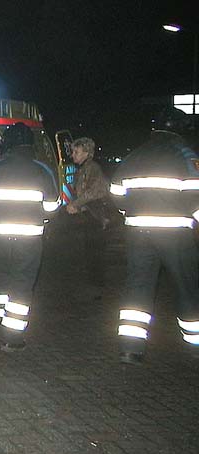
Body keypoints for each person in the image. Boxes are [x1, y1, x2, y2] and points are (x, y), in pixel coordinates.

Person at [109, 111, 199, 365]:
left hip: (138, 231)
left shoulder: (134, 156)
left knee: (138, 286)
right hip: (175, 232)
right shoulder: (185, 156)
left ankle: (130, 347)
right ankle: (195, 343)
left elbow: (115, 191)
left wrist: (131, 212)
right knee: (187, 285)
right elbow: (196, 195)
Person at [0, 122, 60, 351]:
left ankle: (5, 318)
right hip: (29, 236)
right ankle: (12, 336)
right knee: (22, 282)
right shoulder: (42, 170)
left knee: (3, 276)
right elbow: (52, 207)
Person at [65, 137, 111, 286]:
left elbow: (93, 192)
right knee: (91, 249)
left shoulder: (92, 169)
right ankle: (95, 281)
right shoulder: (85, 169)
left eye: (76, 152)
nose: (73, 155)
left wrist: (76, 205)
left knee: (95, 249)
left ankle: (97, 283)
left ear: (86, 153)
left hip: (95, 214)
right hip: (91, 213)